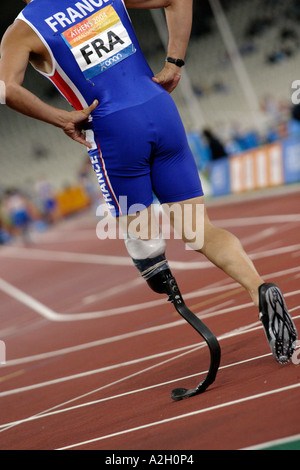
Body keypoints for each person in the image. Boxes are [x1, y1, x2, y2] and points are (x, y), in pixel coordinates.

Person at [0, 0, 297, 365]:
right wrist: (174, 62)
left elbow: (7, 89)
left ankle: (158, 270)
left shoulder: (23, 28)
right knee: (199, 231)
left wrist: (63, 117)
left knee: (143, 242)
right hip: (159, 108)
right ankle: (260, 289)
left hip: (113, 130)